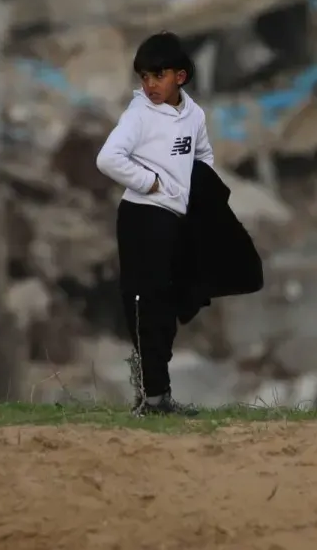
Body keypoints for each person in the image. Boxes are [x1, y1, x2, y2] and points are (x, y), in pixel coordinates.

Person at [95, 31, 212, 416]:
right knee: (144, 305)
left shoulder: (193, 115)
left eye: (157, 76)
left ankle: (160, 396)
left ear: (179, 76)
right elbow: (108, 158)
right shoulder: (138, 115)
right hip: (142, 219)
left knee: (167, 306)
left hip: (176, 221)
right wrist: (150, 182)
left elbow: (203, 156)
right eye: (144, 77)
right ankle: (151, 398)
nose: (149, 86)